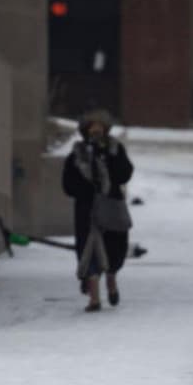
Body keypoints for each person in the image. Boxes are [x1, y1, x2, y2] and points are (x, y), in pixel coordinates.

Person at [63, 109, 135, 312]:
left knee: (115, 249)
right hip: (87, 211)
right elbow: (68, 185)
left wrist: (110, 158)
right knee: (88, 251)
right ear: (85, 130)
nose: (96, 130)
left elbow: (125, 174)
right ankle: (94, 298)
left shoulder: (115, 149)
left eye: (100, 126)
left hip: (112, 207)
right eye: (92, 127)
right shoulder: (77, 155)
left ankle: (111, 280)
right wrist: (87, 190)